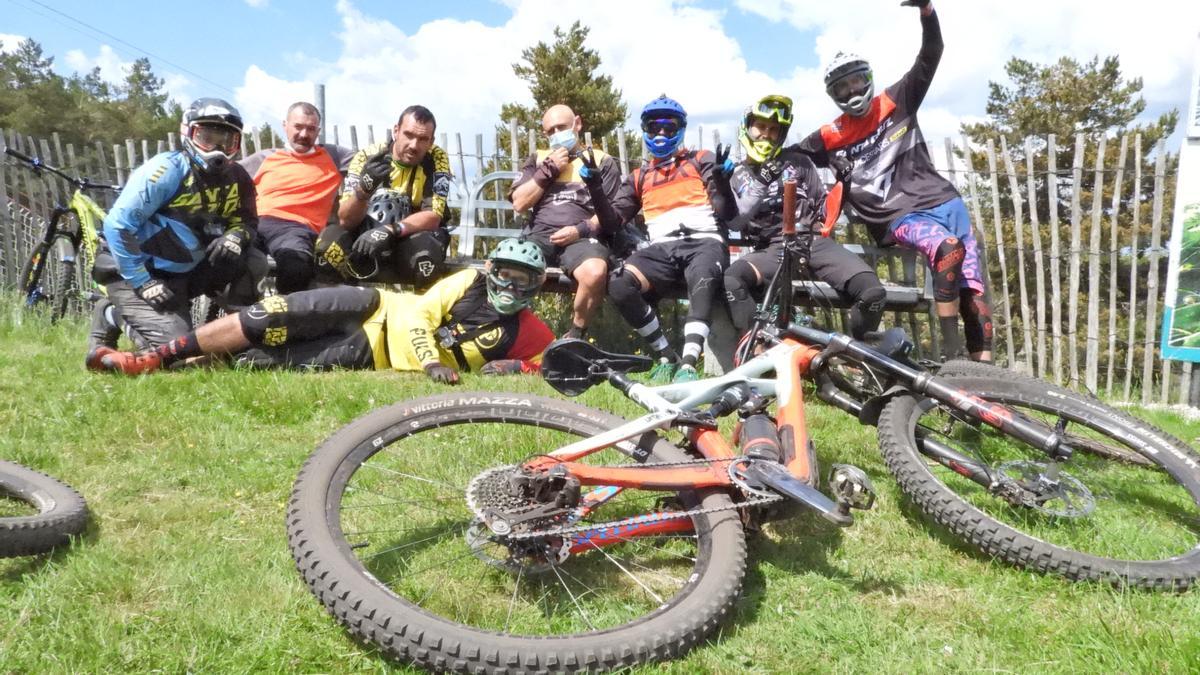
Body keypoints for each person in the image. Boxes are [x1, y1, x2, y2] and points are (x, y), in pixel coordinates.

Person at [794, 0, 993, 362]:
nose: (852, 93)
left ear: (869, 78)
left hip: (947, 202)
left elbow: (932, 53)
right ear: (833, 96)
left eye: (857, 81)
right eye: (842, 89)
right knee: (947, 249)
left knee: (973, 290)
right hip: (899, 216)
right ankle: (953, 358)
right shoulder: (829, 135)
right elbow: (789, 155)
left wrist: (927, 11)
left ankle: (988, 375)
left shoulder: (897, 99)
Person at [93, 239, 555, 382]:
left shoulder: (529, 329)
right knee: (265, 317)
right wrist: (432, 361)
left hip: (370, 353)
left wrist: (520, 367)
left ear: (538, 286)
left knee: (257, 362)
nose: (513, 287)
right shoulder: (468, 280)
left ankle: (155, 349)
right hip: (376, 306)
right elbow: (420, 317)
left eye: (525, 280)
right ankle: (151, 357)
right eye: (507, 274)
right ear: (492, 269)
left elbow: (562, 365)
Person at [86, 97, 266, 369]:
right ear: (189, 133)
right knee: (177, 356)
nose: (218, 148)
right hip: (137, 271)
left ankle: (239, 331)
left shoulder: (238, 177)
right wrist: (143, 282)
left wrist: (236, 236)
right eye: (207, 137)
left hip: (186, 269)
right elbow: (117, 226)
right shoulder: (166, 171)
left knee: (253, 260)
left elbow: (248, 222)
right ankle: (111, 313)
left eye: (227, 141)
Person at [726, 95, 887, 343]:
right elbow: (735, 220)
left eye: (773, 129)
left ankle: (861, 357)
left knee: (872, 292)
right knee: (732, 279)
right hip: (772, 249)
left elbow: (824, 210)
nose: (766, 134)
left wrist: (843, 183)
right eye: (761, 126)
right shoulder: (736, 175)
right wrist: (761, 182)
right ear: (747, 127)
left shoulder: (799, 163)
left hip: (812, 243)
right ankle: (755, 348)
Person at [604, 94, 738, 383]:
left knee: (702, 278)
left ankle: (689, 364)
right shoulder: (640, 176)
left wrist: (723, 184)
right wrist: (593, 187)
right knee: (619, 283)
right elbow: (612, 222)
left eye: (669, 126)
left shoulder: (701, 160)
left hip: (704, 240)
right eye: (654, 127)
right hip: (662, 248)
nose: (662, 133)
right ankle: (666, 356)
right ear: (645, 130)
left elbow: (726, 212)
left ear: (680, 128)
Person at [508, 104, 623, 339]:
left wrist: (579, 230)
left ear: (577, 124)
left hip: (583, 237)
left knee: (595, 272)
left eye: (561, 128)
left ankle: (575, 335)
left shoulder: (601, 161)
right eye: (550, 131)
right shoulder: (538, 159)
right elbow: (519, 203)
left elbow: (611, 213)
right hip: (539, 235)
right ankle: (508, 333)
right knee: (499, 266)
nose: (555, 135)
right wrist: (548, 169)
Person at [315, 105, 453, 290]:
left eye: (422, 139)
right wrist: (363, 191)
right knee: (328, 250)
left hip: (412, 234)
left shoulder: (437, 158)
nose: (414, 145)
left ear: (431, 141)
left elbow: (434, 216)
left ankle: (422, 316)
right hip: (364, 229)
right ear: (396, 131)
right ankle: (340, 310)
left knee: (425, 260)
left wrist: (390, 230)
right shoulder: (367, 156)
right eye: (409, 135)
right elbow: (345, 219)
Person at [239, 101, 354, 294]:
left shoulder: (334, 156)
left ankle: (283, 318)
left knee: (296, 268)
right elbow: (227, 173)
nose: (303, 134)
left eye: (310, 129)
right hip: (255, 222)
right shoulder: (265, 157)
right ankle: (235, 316)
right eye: (298, 127)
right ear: (285, 125)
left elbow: (368, 159)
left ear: (318, 131)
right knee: (232, 255)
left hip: (295, 229)